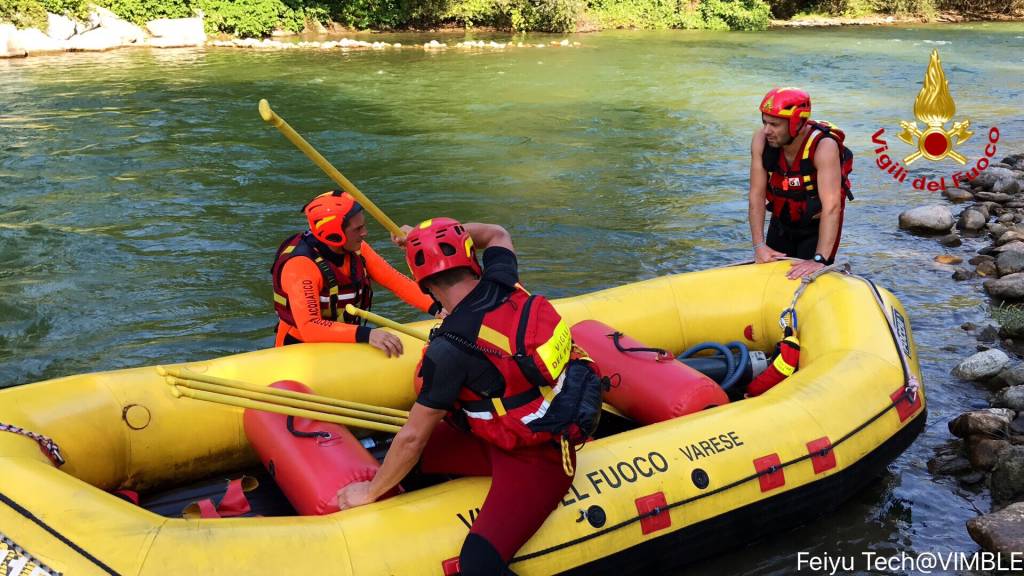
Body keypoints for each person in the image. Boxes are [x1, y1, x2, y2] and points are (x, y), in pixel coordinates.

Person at [336, 218, 602, 575]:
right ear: (469, 256)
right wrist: (437, 233)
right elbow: (496, 233)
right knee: (402, 459)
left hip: (540, 458)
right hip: (499, 434)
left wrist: (369, 494)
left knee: (478, 564)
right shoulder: (503, 280)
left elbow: (413, 436)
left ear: (424, 282)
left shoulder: (449, 351)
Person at [270, 190, 442, 355]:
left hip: (340, 343)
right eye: (357, 229)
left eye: (363, 226)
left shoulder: (357, 250)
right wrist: (367, 334)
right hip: (298, 348)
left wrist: (438, 309)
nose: (365, 233)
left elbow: (396, 281)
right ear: (334, 234)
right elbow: (310, 326)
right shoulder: (300, 265)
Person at [748, 87, 854, 279]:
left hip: (815, 229)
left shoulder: (824, 146)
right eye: (764, 122)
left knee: (808, 280)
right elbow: (756, 195)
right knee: (770, 279)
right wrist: (759, 246)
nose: (767, 130)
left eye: (774, 124)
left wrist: (819, 259)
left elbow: (832, 207)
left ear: (796, 123)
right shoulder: (761, 141)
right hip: (781, 223)